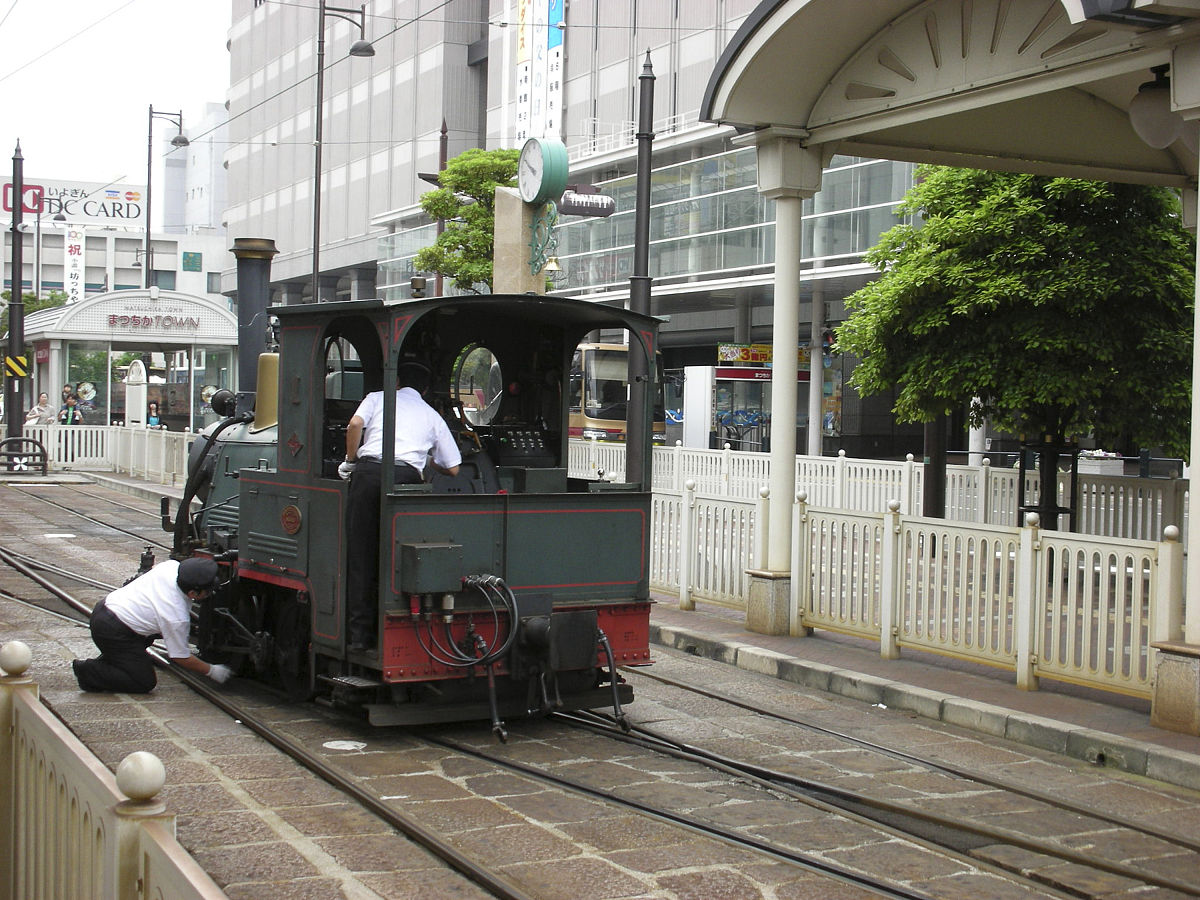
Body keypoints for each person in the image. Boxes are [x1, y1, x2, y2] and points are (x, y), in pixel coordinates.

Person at [339, 362, 461, 651]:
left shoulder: (376, 398)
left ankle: (360, 636)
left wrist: (350, 461)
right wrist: (425, 459)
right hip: (407, 480)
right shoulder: (431, 415)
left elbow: (355, 425)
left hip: (369, 475)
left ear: (396, 382)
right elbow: (454, 468)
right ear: (425, 390)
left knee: (361, 554)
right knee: (398, 556)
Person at [72, 557, 233, 693]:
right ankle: (88, 671)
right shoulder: (175, 615)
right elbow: (180, 657)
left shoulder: (171, 567)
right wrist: (212, 671)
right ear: (192, 593)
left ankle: (119, 658)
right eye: (207, 591)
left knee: (157, 632)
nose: (209, 593)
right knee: (143, 681)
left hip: (107, 607)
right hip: (112, 630)